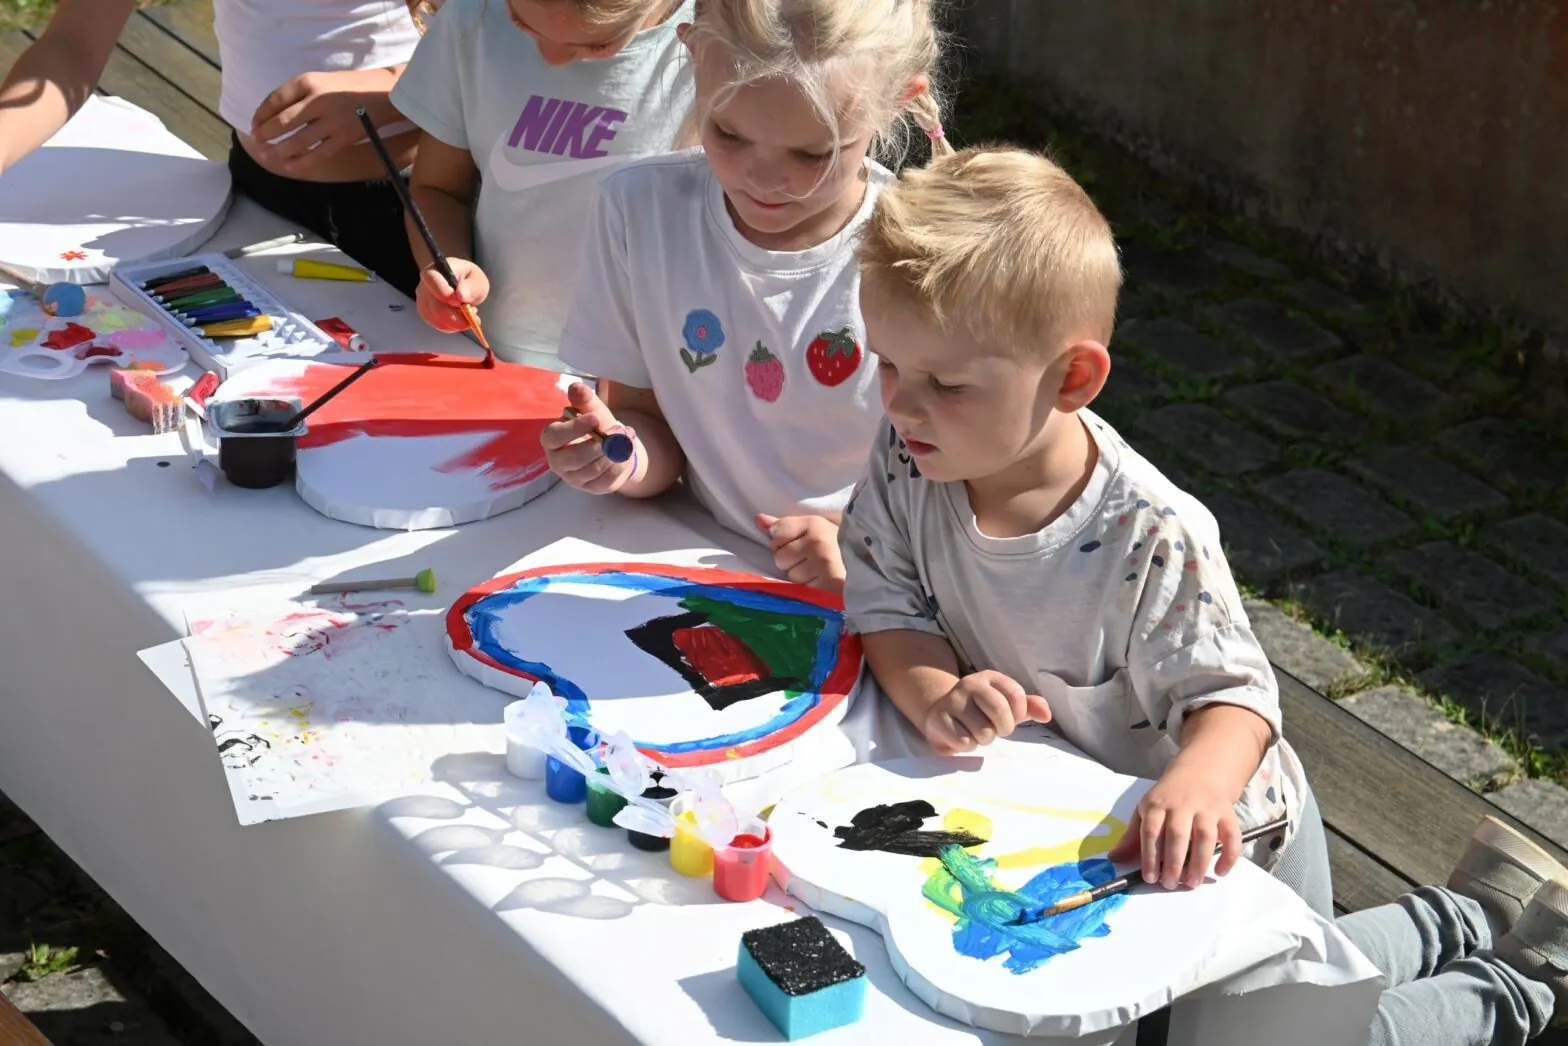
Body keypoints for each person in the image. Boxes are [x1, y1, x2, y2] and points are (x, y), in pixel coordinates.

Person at [838, 144, 1565, 1046]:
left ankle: (1525, 986)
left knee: (1310, 1037)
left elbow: (1235, 700)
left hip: (1216, 847)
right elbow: (889, 601)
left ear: (1071, 380)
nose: (901, 405)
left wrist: (1191, 788)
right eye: (887, 366)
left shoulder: (1150, 534)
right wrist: (936, 693)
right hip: (1083, 850)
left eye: (944, 384)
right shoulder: (916, 453)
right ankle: (1470, 913)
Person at [540, 0, 948, 591]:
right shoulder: (639, 212)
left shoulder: (919, 253)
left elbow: (972, 485)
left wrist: (868, 553)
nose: (762, 178)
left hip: (880, 601)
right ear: (691, 57)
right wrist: (618, 453)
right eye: (727, 133)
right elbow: (649, 427)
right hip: (699, 571)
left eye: (812, 153)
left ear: (896, 104)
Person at [0, 0, 429, 296]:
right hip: (255, 192)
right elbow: (71, 48)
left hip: (421, 205)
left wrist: (392, 88)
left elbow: (493, 58)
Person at [392, 0, 696, 370]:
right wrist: (446, 263)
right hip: (491, 358)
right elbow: (439, 189)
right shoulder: (475, 18)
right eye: (521, 23)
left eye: (597, 44)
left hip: (647, 384)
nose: (551, 57)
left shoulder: (719, 44)